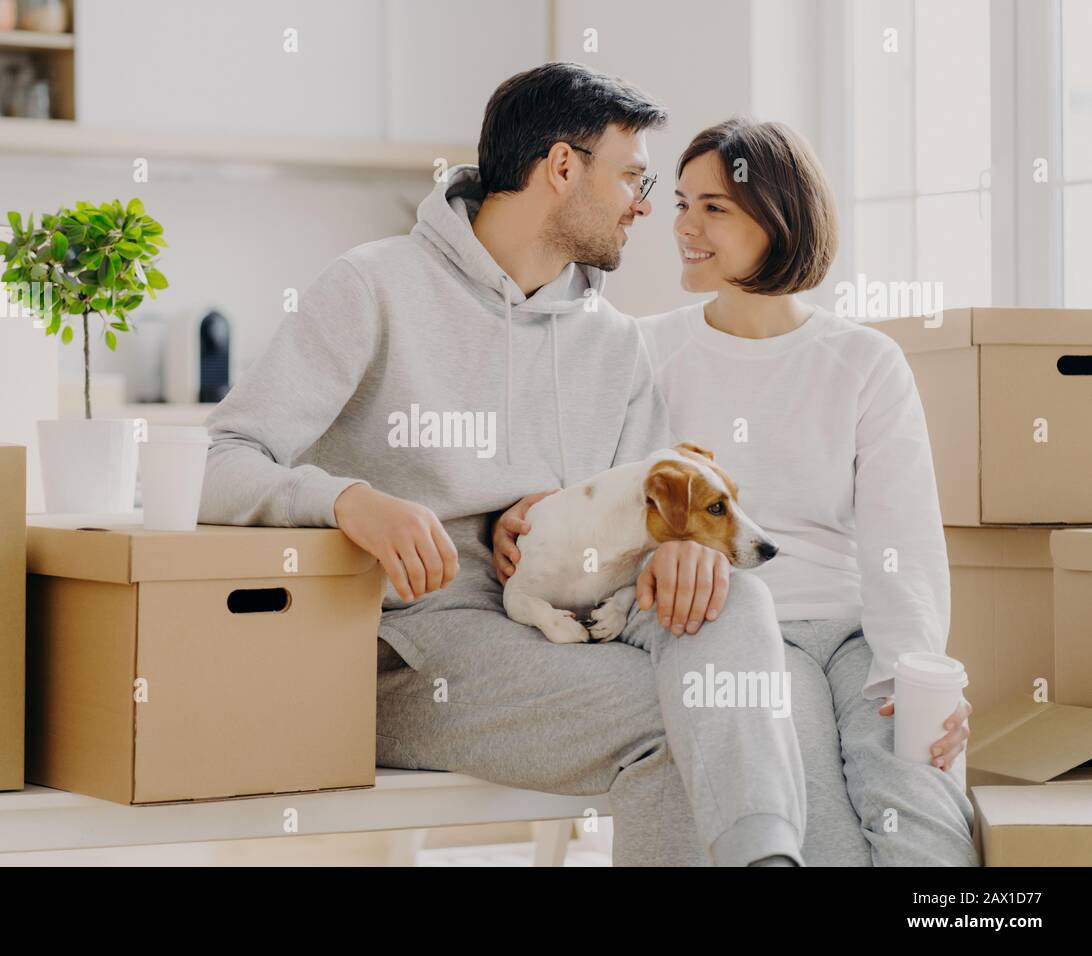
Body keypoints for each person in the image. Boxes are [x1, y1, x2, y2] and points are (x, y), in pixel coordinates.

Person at [198, 63, 808, 866]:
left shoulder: (613, 344)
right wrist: (352, 502)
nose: (646, 204)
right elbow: (221, 466)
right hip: (408, 649)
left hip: (577, 625)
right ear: (562, 167)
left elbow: (647, 525)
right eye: (632, 176)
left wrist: (680, 552)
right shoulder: (372, 288)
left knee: (743, 615)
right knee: (687, 717)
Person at [496, 118, 979, 866]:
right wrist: (517, 513)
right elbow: (586, 489)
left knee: (923, 811)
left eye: (713, 207)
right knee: (815, 829)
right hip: (725, 627)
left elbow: (903, 543)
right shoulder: (644, 348)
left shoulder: (863, 361)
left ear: (779, 218)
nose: (683, 225)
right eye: (681, 201)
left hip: (855, 638)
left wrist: (918, 677)